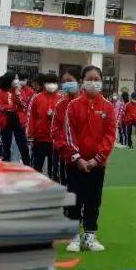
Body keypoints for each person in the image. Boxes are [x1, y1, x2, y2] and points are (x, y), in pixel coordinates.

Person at [62, 65, 116, 253]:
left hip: (97, 164)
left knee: (94, 200)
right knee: (75, 199)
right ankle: (74, 236)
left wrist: (97, 159)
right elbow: (69, 134)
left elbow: (110, 135)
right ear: (83, 82)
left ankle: (90, 235)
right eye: (90, 79)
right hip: (76, 164)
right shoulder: (73, 105)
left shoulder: (108, 107)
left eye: (97, 79)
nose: (93, 82)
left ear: (102, 81)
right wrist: (78, 158)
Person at [27, 72, 61, 179]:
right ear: (44, 84)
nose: (51, 85)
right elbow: (31, 117)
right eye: (48, 82)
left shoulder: (61, 99)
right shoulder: (37, 98)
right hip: (39, 139)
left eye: (53, 82)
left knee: (54, 169)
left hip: (55, 141)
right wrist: (30, 135)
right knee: (36, 167)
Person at [52, 71, 79, 201]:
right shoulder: (60, 105)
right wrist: (65, 148)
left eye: (70, 81)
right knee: (65, 181)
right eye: (64, 82)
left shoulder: (85, 104)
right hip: (65, 154)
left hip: (83, 155)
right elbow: (55, 131)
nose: (67, 84)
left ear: (78, 82)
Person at [0, 72, 29, 164]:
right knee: (6, 145)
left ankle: (27, 164)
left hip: (18, 121)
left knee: (23, 145)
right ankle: (6, 163)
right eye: (15, 78)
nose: (17, 80)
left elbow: (24, 105)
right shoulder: (0, 92)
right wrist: (14, 107)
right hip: (6, 121)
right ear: (10, 79)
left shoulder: (20, 91)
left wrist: (17, 93)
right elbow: (1, 107)